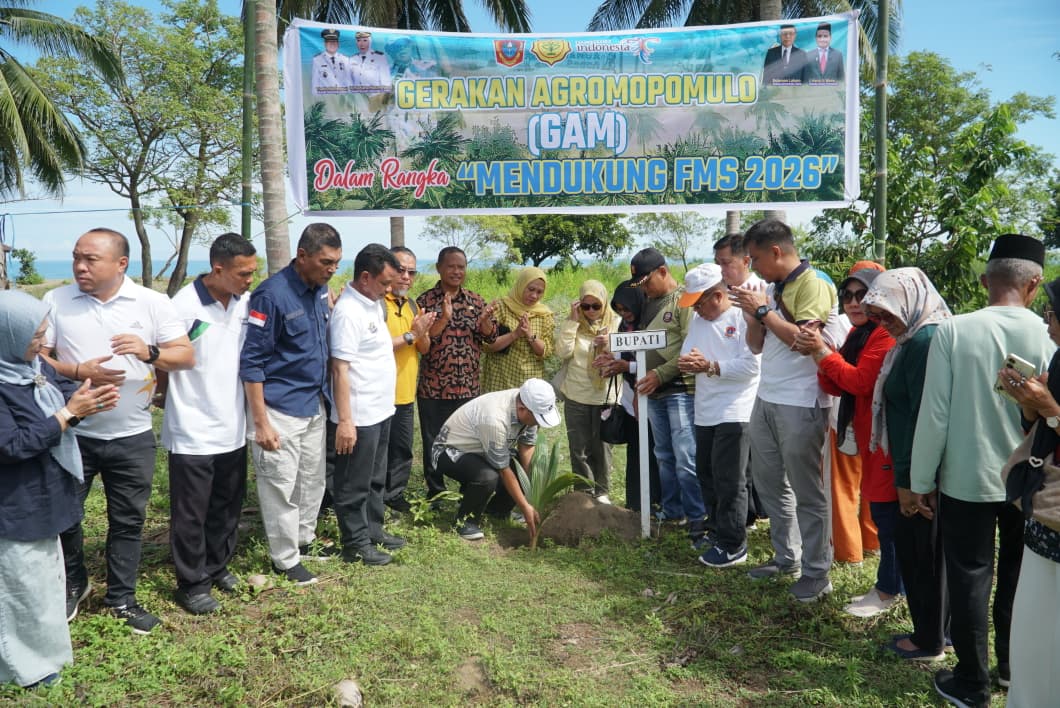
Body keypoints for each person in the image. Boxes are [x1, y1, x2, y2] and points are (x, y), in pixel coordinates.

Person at [910, 234, 1054, 707]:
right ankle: (1013, 669)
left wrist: (920, 481)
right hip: (1030, 482)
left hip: (966, 480)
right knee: (1018, 576)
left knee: (971, 576)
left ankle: (971, 683)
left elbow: (934, 415)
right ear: (1034, 284)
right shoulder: (1047, 333)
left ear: (984, 280)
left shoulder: (955, 330)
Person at [42, 228, 194, 634]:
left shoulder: (151, 303)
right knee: (65, 516)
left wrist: (149, 352)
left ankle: (122, 598)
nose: (79, 266)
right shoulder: (57, 301)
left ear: (120, 264)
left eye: (90, 259)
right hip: (72, 434)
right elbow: (37, 358)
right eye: (76, 257)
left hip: (132, 436)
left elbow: (185, 355)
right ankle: (75, 582)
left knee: (128, 520)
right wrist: (77, 371)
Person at [0, 291, 118, 688]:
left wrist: (87, 403)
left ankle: (46, 653)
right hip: (13, 502)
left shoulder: (29, 365)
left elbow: (62, 399)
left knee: (44, 581)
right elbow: (12, 445)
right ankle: (23, 667)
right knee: (17, 588)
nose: (41, 341)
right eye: (35, 334)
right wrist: (67, 415)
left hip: (43, 491)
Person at [730, 218, 841, 602]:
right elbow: (759, 346)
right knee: (770, 482)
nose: (754, 266)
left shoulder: (815, 283)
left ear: (776, 251)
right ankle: (786, 556)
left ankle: (816, 570)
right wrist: (753, 318)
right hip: (768, 396)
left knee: (807, 490)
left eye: (756, 258)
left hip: (802, 400)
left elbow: (805, 343)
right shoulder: (774, 288)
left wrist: (764, 313)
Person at [157, 233, 257, 615]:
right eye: (243, 273)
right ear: (219, 269)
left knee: (227, 504)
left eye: (252, 272)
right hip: (192, 426)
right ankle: (191, 582)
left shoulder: (244, 302)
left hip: (232, 423)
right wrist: (162, 394)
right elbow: (163, 360)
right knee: (191, 512)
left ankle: (218, 567)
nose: (250, 280)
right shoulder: (182, 307)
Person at [794, 265, 901, 617]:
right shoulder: (858, 335)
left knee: (881, 509)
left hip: (882, 435)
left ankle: (886, 585)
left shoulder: (882, 334)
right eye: (848, 296)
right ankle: (883, 580)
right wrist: (825, 356)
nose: (854, 303)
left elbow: (857, 382)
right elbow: (835, 383)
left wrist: (823, 355)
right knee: (875, 504)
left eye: (862, 295)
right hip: (865, 431)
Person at [239, 223, 341, 587]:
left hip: (313, 403)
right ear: (302, 256)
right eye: (325, 262)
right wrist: (261, 421)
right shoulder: (271, 295)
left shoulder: (319, 290)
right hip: (279, 409)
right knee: (280, 486)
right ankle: (284, 559)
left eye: (336, 263)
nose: (331, 269)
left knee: (312, 480)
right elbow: (252, 362)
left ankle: (303, 539)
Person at [863, 268, 953, 660]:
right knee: (924, 555)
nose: (882, 323)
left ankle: (929, 638)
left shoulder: (923, 343)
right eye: (876, 315)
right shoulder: (914, 338)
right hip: (918, 468)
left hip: (919, 473)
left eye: (887, 312)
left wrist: (912, 482)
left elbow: (921, 417)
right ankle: (934, 632)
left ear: (910, 301)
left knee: (923, 557)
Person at [995, 276, 1060, 707]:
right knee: (1035, 626)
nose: (1048, 322)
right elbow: (1040, 432)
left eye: (1052, 314)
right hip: (1045, 512)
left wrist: (1051, 409)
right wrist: (1029, 402)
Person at [676, 264, 760, 567]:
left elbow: (752, 366)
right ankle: (717, 529)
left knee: (731, 479)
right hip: (705, 409)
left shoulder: (741, 316)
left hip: (735, 409)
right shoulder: (698, 322)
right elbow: (688, 352)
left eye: (701, 302)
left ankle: (734, 543)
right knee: (707, 473)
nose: (697, 310)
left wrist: (710, 366)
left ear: (718, 294)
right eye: (694, 304)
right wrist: (688, 362)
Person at [329, 244, 407, 566]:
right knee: (353, 483)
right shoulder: (348, 312)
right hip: (358, 416)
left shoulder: (372, 303)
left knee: (376, 477)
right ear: (364, 278)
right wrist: (346, 421)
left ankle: (373, 529)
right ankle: (355, 544)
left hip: (381, 410)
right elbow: (339, 368)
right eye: (384, 283)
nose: (389, 289)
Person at [629, 248, 707, 537]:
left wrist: (659, 374)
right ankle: (673, 510)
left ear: (663, 271)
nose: (645, 289)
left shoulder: (683, 302)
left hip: (679, 390)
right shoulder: (649, 302)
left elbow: (689, 347)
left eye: (647, 282)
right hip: (654, 391)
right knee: (663, 454)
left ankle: (697, 515)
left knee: (686, 455)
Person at [416, 247, 497, 501]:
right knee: (433, 442)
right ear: (439, 268)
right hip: (434, 388)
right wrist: (443, 318)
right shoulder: (425, 302)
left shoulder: (475, 300)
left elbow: (490, 338)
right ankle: (436, 492)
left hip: (469, 388)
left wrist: (485, 324)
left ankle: (468, 486)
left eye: (461, 266)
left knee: (469, 442)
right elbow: (422, 344)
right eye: (451, 266)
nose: (456, 271)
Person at [433, 378, 561, 541]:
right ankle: (465, 522)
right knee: (487, 476)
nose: (538, 423)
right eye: (537, 418)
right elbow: (503, 470)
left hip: (481, 450)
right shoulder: (495, 418)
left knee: (519, 466)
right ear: (523, 409)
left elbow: (527, 447)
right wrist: (524, 506)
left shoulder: (529, 406)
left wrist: (533, 491)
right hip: (449, 451)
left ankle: (496, 510)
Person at [713, 233, 767, 527]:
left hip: (750, 391)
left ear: (746, 261)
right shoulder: (724, 292)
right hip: (725, 393)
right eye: (718, 264)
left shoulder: (758, 291)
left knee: (744, 467)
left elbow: (753, 355)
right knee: (738, 468)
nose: (722, 270)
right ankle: (747, 515)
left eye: (726, 263)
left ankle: (747, 518)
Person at [596, 279, 661, 513]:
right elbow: (624, 355)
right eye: (619, 310)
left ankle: (656, 502)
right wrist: (611, 361)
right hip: (630, 399)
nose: (625, 314)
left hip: (652, 397)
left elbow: (654, 361)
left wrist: (627, 368)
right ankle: (636, 502)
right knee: (636, 452)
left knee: (654, 452)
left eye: (627, 308)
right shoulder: (624, 327)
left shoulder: (649, 324)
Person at [555, 279, 622, 502]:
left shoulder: (617, 324)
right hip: (576, 394)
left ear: (605, 304)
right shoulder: (573, 324)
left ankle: (602, 491)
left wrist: (609, 342)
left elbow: (626, 355)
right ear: (578, 306)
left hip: (605, 397)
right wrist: (572, 322)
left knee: (602, 447)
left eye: (596, 306)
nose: (591, 311)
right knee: (579, 448)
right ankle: (583, 491)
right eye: (586, 306)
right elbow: (562, 353)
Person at [382, 247, 435, 513]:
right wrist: (413, 334)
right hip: (379, 394)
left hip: (404, 392)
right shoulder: (378, 303)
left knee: (402, 449)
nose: (406, 277)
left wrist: (422, 330)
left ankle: (395, 494)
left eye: (411, 272)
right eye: (400, 270)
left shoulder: (413, 304)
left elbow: (423, 348)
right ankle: (374, 497)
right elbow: (376, 347)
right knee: (378, 452)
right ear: (387, 270)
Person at [482, 266, 554, 393]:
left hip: (530, 383)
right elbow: (487, 346)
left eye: (539, 292)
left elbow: (545, 352)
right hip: (500, 380)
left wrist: (529, 334)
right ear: (521, 285)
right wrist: (515, 334)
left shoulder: (544, 314)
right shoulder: (501, 308)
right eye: (530, 289)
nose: (534, 295)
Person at [311, 28, 352, 96]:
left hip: (342, 99)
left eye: (334, 41)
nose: (332, 44)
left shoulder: (345, 60)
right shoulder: (317, 60)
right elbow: (315, 85)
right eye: (329, 41)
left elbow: (349, 83)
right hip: (327, 100)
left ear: (338, 44)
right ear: (325, 44)